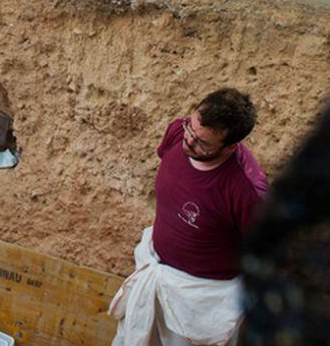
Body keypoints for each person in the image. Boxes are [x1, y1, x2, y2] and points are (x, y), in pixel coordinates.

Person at [109, 89, 270, 346]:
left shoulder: (248, 192)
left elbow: (266, 253)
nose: (190, 142)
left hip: (201, 303)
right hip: (155, 275)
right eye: (191, 129)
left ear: (230, 147)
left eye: (203, 143)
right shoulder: (178, 132)